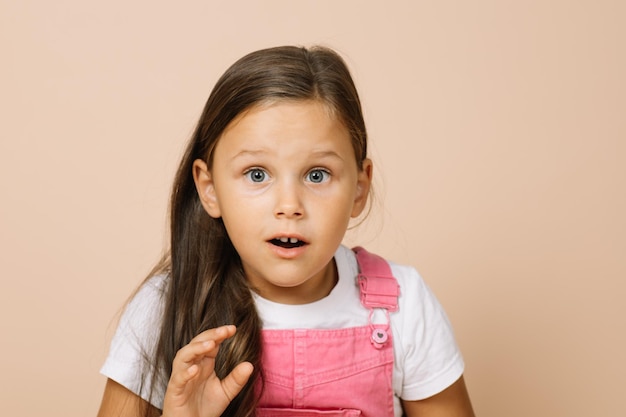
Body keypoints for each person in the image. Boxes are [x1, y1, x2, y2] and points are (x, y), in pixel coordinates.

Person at [97, 45, 475, 417]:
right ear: (209, 189)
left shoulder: (404, 306)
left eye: (317, 175)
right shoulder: (165, 307)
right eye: (257, 174)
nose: (289, 205)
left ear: (359, 188)